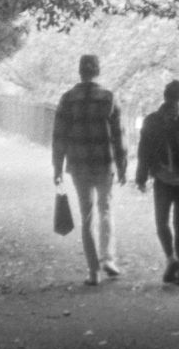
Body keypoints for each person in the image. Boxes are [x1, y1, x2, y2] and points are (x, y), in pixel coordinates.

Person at [52, 54, 128, 285]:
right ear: (97, 71)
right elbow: (119, 136)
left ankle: (93, 271)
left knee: (87, 216)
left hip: (79, 164)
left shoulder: (67, 99)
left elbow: (59, 136)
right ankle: (109, 260)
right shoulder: (108, 98)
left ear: (80, 71)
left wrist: (57, 168)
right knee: (106, 210)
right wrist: (122, 166)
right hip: (104, 163)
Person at [135, 80, 179, 286]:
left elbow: (144, 153)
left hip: (163, 179)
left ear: (164, 96)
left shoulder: (151, 121)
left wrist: (141, 177)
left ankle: (171, 258)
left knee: (162, 223)